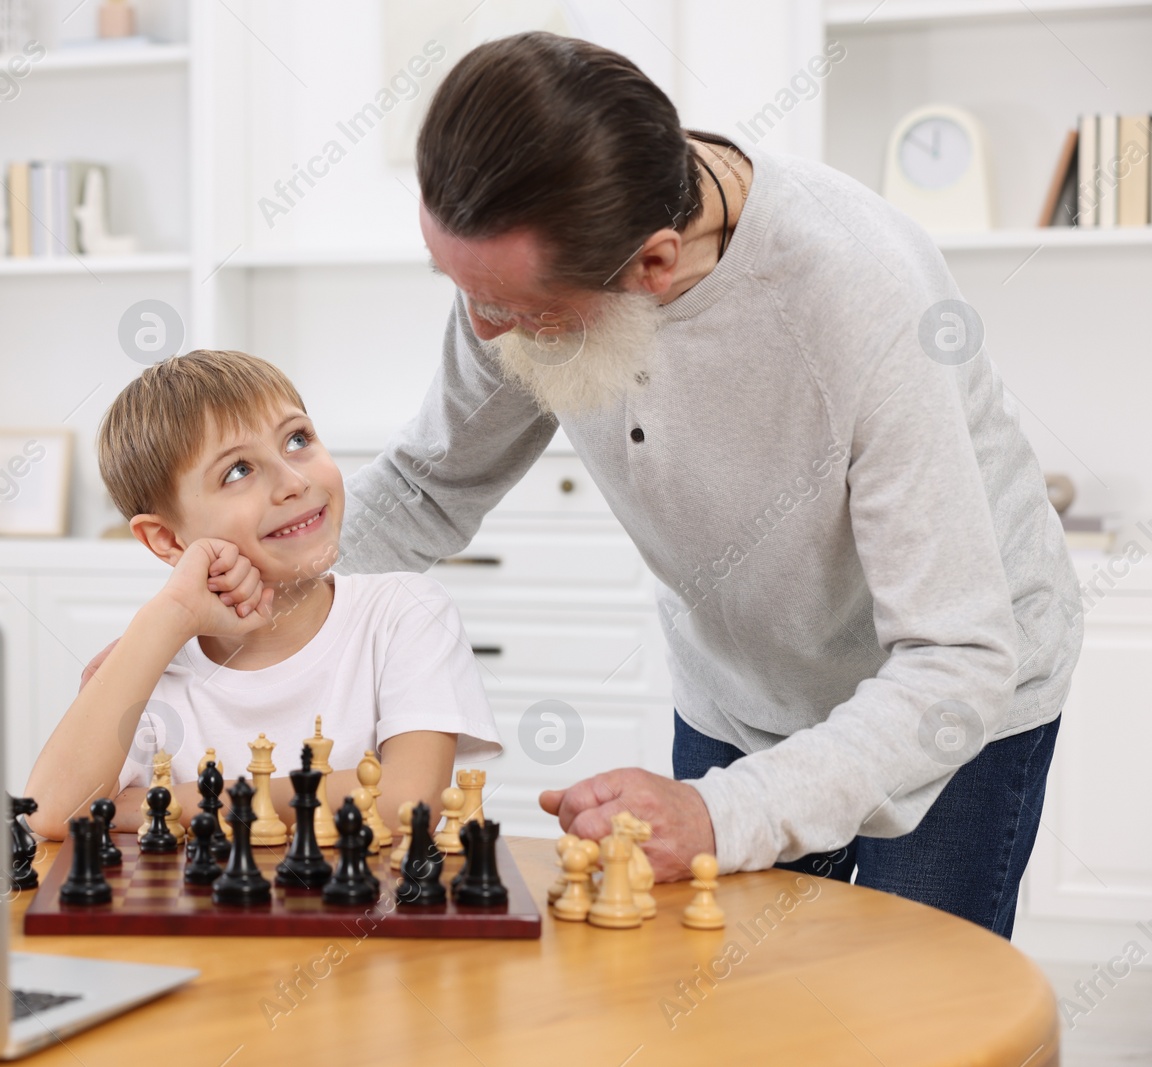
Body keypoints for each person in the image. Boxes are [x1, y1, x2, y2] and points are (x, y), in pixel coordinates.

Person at [329, 32, 1081, 938]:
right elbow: (424, 486)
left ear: (651, 264)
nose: (487, 335)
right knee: (732, 1007)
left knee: (904, 1018)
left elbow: (956, 655)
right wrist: (226, 604)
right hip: (737, 688)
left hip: (949, 693)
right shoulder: (522, 267)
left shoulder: (863, 294)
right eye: (461, 288)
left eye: (521, 312)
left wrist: (724, 815)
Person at [24, 349, 501, 842]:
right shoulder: (154, 671)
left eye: (298, 440)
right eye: (238, 471)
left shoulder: (406, 612)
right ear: (166, 541)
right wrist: (168, 616)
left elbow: (407, 799)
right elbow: (53, 812)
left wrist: (164, 804)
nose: (294, 482)